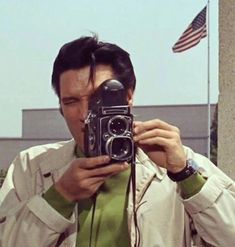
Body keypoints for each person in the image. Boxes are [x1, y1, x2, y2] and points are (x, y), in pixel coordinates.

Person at [0, 35, 235, 247]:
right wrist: (59, 197)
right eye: (71, 101)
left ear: (128, 96)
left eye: (96, 98)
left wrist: (185, 174)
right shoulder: (31, 166)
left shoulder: (179, 163)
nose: (84, 114)